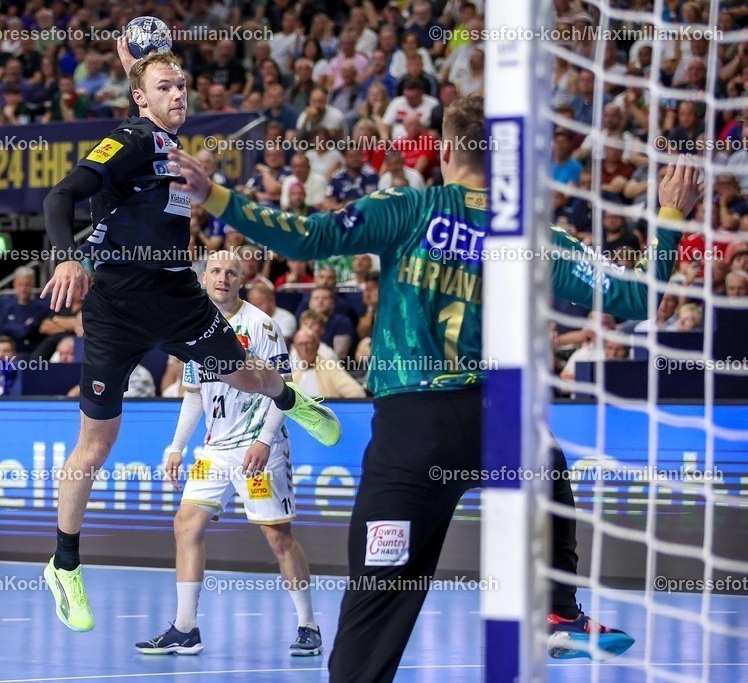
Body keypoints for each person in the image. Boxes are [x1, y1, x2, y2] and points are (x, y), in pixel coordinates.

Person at [168, 95, 702, 681]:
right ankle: (558, 611)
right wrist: (671, 217)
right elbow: (636, 296)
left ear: (444, 150)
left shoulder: (409, 207)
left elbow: (304, 237)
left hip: (413, 433)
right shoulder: (528, 228)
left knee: (373, 613)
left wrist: (215, 195)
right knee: (546, 463)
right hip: (500, 422)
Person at [38, 38, 341, 634]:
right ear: (140, 98)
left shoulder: (173, 147)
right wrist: (64, 258)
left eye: (182, 87)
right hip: (116, 306)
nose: (177, 95)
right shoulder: (127, 141)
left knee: (252, 375)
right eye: (164, 89)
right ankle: (64, 565)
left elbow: (147, 94)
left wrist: (142, 69)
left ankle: (291, 399)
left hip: (177, 296)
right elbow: (60, 195)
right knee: (94, 447)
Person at [136, 251, 322, 657]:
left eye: (231, 273)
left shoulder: (261, 325)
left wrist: (264, 440)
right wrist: (176, 446)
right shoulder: (192, 326)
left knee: (278, 537)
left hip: (260, 446)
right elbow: (193, 394)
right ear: (204, 278)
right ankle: (185, 628)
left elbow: (282, 390)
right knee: (186, 524)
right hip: (216, 449)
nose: (222, 277)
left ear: (242, 281)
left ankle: (308, 624)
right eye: (215, 271)